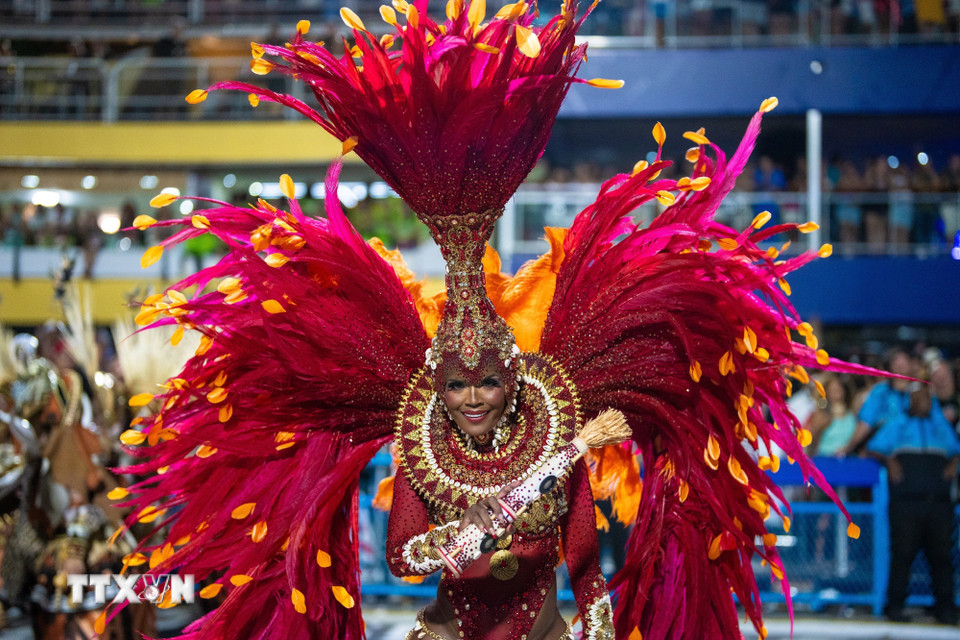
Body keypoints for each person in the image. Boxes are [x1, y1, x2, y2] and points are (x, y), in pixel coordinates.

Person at [117, 2, 883, 639]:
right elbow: (404, 559)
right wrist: (471, 528)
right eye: (458, 387)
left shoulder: (558, 433)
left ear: (515, 378)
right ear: (435, 388)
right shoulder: (423, 449)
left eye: (485, 382)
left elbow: (582, 547)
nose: (473, 398)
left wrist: (597, 613)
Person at [864, 354, 960, 625]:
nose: (923, 401)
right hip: (906, 502)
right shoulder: (897, 424)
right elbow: (871, 449)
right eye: (918, 396)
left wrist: (955, 463)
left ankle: (946, 609)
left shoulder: (939, 424)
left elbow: (956, 449)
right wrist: (889, 459)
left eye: (927, 396)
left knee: (941, 558)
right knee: (902, 555)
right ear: (910, 399)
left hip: (939, 502)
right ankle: (894, 607)